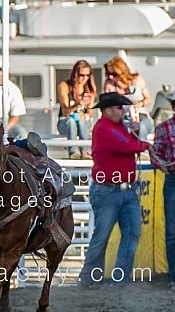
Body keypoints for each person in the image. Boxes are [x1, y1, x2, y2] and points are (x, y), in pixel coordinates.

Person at [78, 93, 151, 288]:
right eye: (120, 108)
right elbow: (127, 146)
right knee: (105, 236)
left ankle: (113, 280)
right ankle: (90, 281)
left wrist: (135, 134)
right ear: (108, 110)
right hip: (109, 190)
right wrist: (144, 143)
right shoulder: (103, 129)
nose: (123, 111)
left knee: (129, 233)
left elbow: (128, 144)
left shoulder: (116, 128)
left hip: (120, 189)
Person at [149, 94, 175, 292]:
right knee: (172, 232)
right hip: (172, 179)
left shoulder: (163, 128)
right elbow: (155, 154)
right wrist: (163, 165)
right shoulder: (163, 128)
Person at [103, 56, 153, 140]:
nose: (111, 77)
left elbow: (148, 99)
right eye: (108, 74)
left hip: (141, 116)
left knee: (142, 127)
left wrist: (139, 104)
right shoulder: (109, 84)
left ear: (122, 72)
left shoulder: (137, 80)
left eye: (114, 74)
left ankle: (141, 150)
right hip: (121, 118)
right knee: (122, 131)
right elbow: (107, 106)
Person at [57, 60, 96, 160]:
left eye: (87, 75)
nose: (84, 78)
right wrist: (77, 104)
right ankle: (73, 151)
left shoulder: (90, 89)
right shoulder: (65, 86)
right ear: (75, 74)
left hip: (83, 124)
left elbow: (90, 112)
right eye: (82, 75)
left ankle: (85, 151)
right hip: (65, 122)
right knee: (71, 121)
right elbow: (65, 111)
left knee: (82, 121)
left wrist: (85, 116)